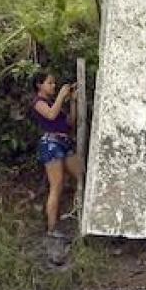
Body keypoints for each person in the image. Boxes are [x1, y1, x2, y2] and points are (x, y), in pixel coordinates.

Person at [33, 73, 82, 237]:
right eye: (50, 83)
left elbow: (70, 122)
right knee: (57, 185)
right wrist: (61, 95)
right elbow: (50, 115)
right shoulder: (38, 102)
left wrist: (73, 101)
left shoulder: (54, 103)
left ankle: (80, 214)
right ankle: (52, 228)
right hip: (51, 144)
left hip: (65, 142)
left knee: (81, 176)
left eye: (54, 83)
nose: (53, 86)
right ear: (40, 85)